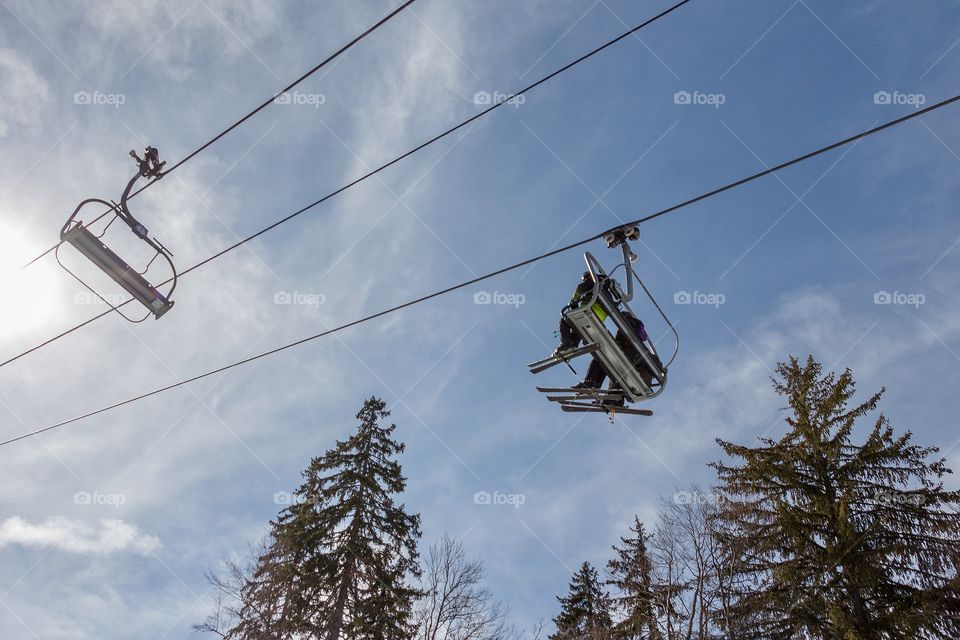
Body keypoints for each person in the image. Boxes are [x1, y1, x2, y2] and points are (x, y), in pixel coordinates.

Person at [573, 310, 659, 406]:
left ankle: (595, 384)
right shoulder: (637, 348)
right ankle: (606, 392)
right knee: (606, 362)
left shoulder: (630, 330)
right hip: (635, 377)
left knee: (608, 363)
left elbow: (622, 339)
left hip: (638, 377)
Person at [553, 271, 607, 355]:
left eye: (585, 279)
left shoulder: (594, 282)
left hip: (589, 310)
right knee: (578, 326)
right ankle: (573, 345)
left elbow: (579, 290)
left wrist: (573, 302)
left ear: (589, 276)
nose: (584, 281)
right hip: (600, 317)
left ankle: (566, 345)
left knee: (565, 319)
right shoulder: (605, 286)